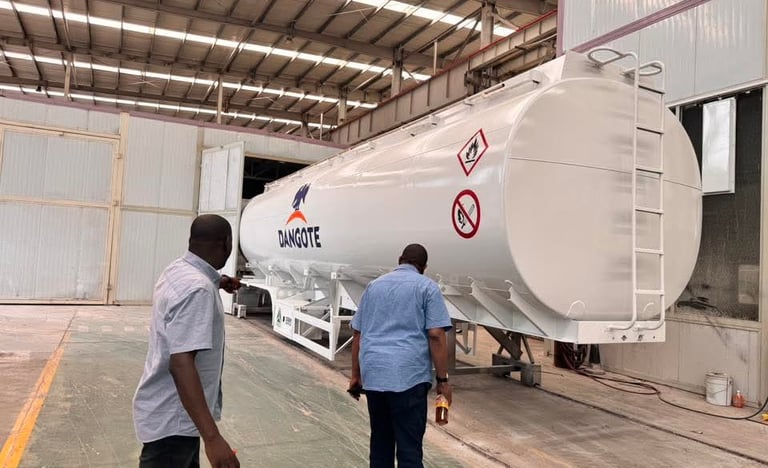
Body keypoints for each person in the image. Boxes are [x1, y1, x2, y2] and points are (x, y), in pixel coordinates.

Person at [133, 214, 241, 468]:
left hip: (173, 415)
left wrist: (219, 282)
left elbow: (194, 284)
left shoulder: (178, 270)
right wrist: (213, 439)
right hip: (175, 421)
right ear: (226, 243)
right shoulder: (198, 290)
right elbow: (181, 364)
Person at [348, 243, 453, 468]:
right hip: (408, 377)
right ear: (424, 266)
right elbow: (436, 335)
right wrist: (443, 381)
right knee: (409, 448)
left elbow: (358, 334)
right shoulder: (427, 288)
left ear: (399, 259)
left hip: (374, 376)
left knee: (380, 443)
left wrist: (356, 376)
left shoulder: (373, 287)